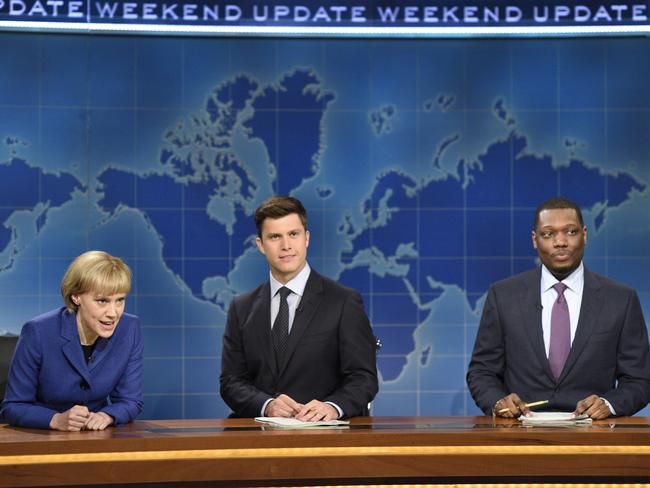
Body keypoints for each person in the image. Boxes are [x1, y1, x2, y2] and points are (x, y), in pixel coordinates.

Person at [467, 196, 650, 420]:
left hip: (594, 439)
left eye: (570, 232)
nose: (560, 242)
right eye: (548, 234)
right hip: (519, 437)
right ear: (535, 240)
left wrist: (609, 404)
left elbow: (640, 379)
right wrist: (498, 402)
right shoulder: (503, 296)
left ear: (585, 235)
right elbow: (482, 371)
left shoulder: (621, 299)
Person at [220, 195, 378, 420]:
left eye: (293, 234)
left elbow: (363, 377)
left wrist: (332, 407)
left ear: (306, 238)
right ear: (261, 245)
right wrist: (267, 405)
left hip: (325, 440)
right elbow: (231, 381)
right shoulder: (241, 307)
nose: (286, 246)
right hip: (259, 440)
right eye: (275, 237)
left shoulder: (343, 302)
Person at [1, 251, 143, 430]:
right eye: (102, 301)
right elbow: (13, 406)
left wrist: (107, 415)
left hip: (95, 437)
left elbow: (130, 400)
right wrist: (56, 419)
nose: (113, 313)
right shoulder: (38, 332)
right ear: (76, 297)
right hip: (41, 437)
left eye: (120, 300)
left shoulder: (129, 328)